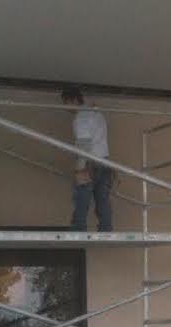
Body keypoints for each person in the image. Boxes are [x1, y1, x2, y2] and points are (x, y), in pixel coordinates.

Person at [62, 87, 114, 232]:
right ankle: (106, 228)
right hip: (105, 161)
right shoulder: (97, 113)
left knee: (82, 196)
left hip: (90, 162)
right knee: (102, 198)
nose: (65, 108)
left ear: (73, 100)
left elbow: (84, 144)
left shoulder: (80, 118)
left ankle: (78, 228)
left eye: (65, 103)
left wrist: (80, 168)